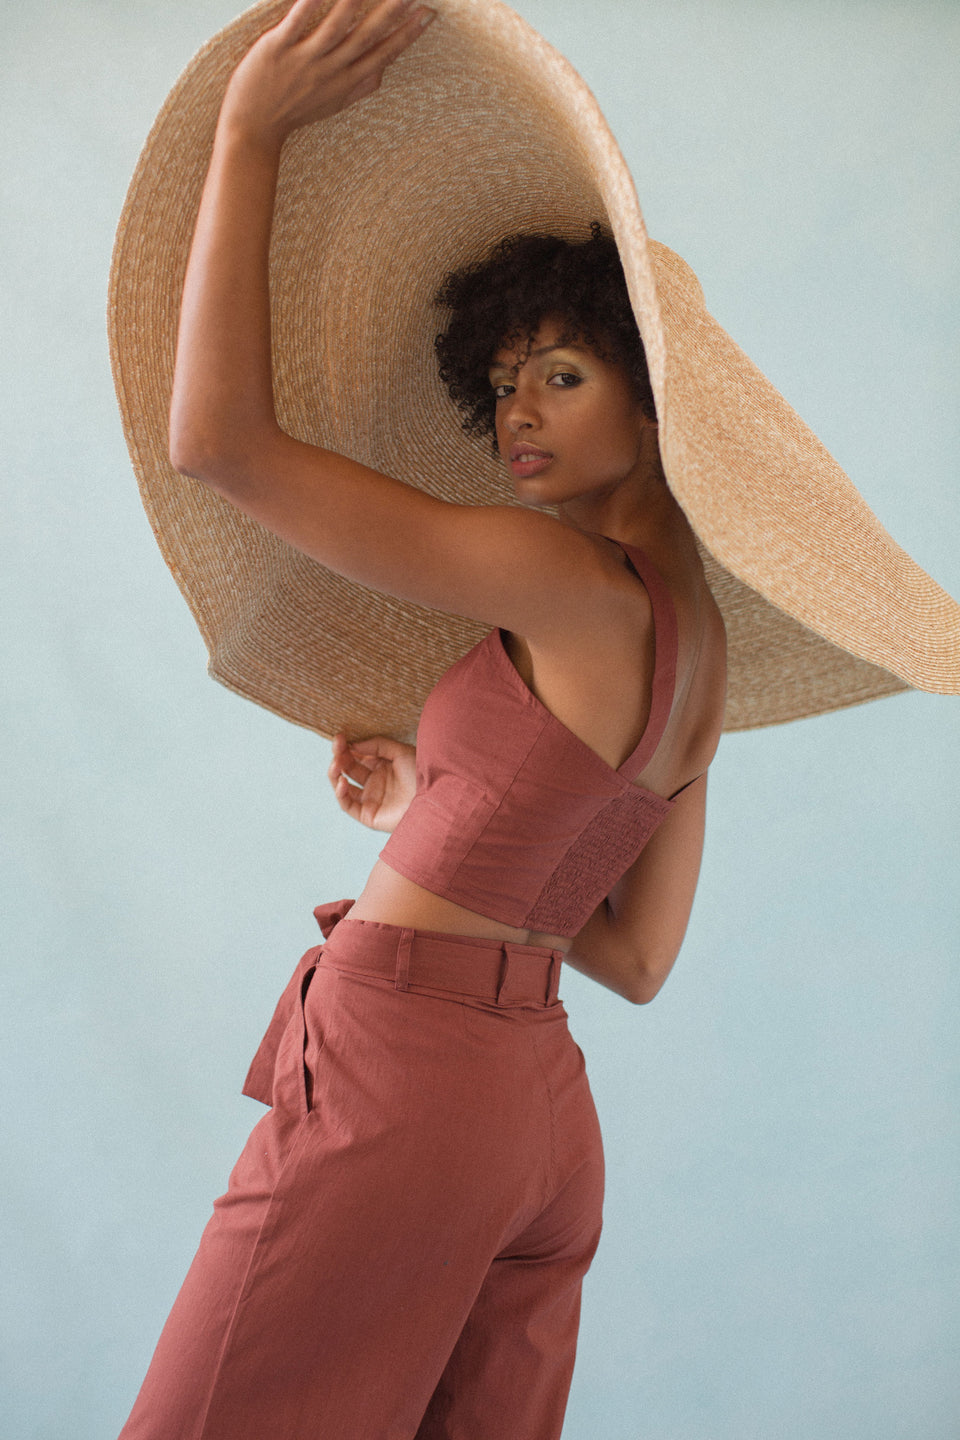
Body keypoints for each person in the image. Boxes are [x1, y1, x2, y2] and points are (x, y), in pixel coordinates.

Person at [115, 0, 714, 1435]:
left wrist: (250, 132)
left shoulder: (561, 580)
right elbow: (633, 956)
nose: (519, 413)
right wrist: (438, 813)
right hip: (537, 1120)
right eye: (503, 384)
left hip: (408, 1088)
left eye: (562, 375)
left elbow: (218, 443)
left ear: (655, 401)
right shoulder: (701, 646)